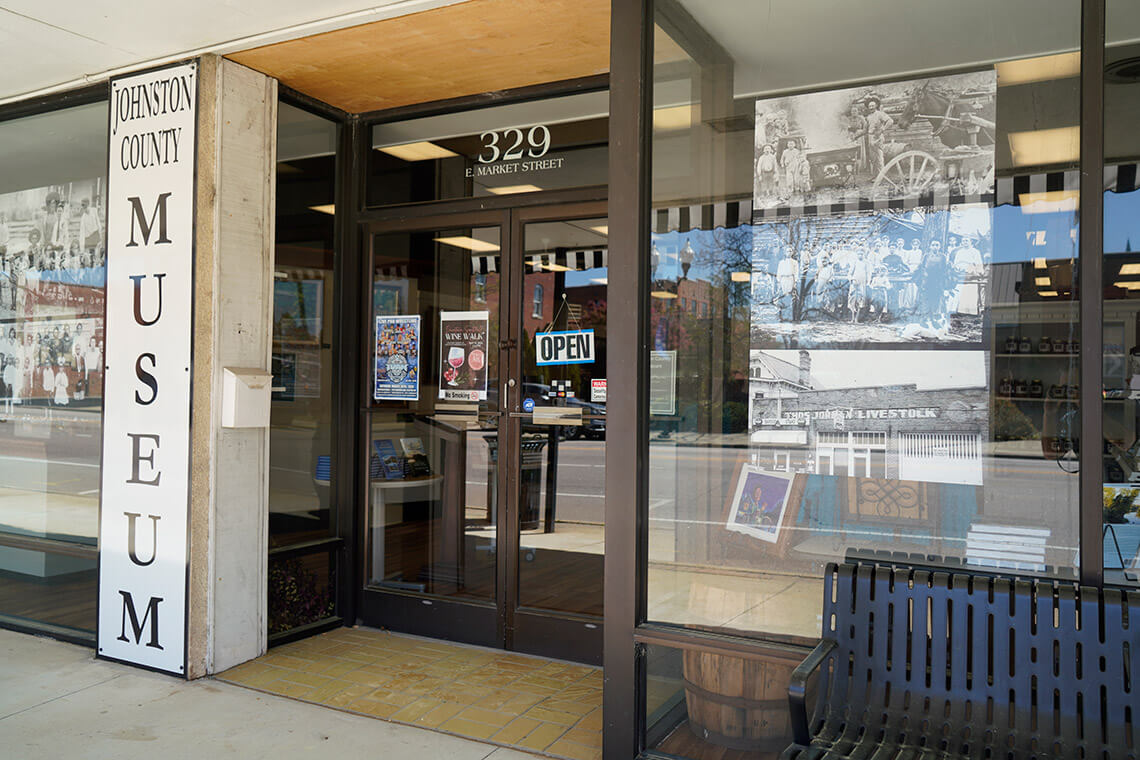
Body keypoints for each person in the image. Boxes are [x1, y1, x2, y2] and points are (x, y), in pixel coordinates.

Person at [864, 97, 895, 178]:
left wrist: (882, 130)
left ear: (876, 106)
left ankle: (881, 176)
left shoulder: (880, 114)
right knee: (873, 158)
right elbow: (866, 129)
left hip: (877, 137)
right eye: (869, 106)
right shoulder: (868, 117)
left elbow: (890, 121)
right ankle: (875, 176)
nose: (871, 107)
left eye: (872, 106)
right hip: (870, 137)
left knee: (879, 157)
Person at [848, 247, 872, 323]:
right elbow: (849, 273)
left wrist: (868, 282)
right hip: (854, 282)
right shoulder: (854, 262)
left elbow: (868, 273)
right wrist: (852, 279)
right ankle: (852, 318)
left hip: (862, 283)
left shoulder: (867, 262)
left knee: (860, 300)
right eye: (858, 254)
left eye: (862, 254)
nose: (860, 255)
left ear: (864, 254)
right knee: (852, 299)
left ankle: (856, 319)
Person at [776, 247, 798, 321]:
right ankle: (782, 316)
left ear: (792, 252)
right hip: (783, 279)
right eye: (787, 251)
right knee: (783, 297)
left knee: (790, 297)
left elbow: (796, 272)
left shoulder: (795, 262)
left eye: (790, 251)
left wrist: (795, 282)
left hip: (791, 279)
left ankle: (790, 316)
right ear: (785, 252)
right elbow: (779, 272)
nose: (789, 252)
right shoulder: (781, 262)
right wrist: (779, 281)